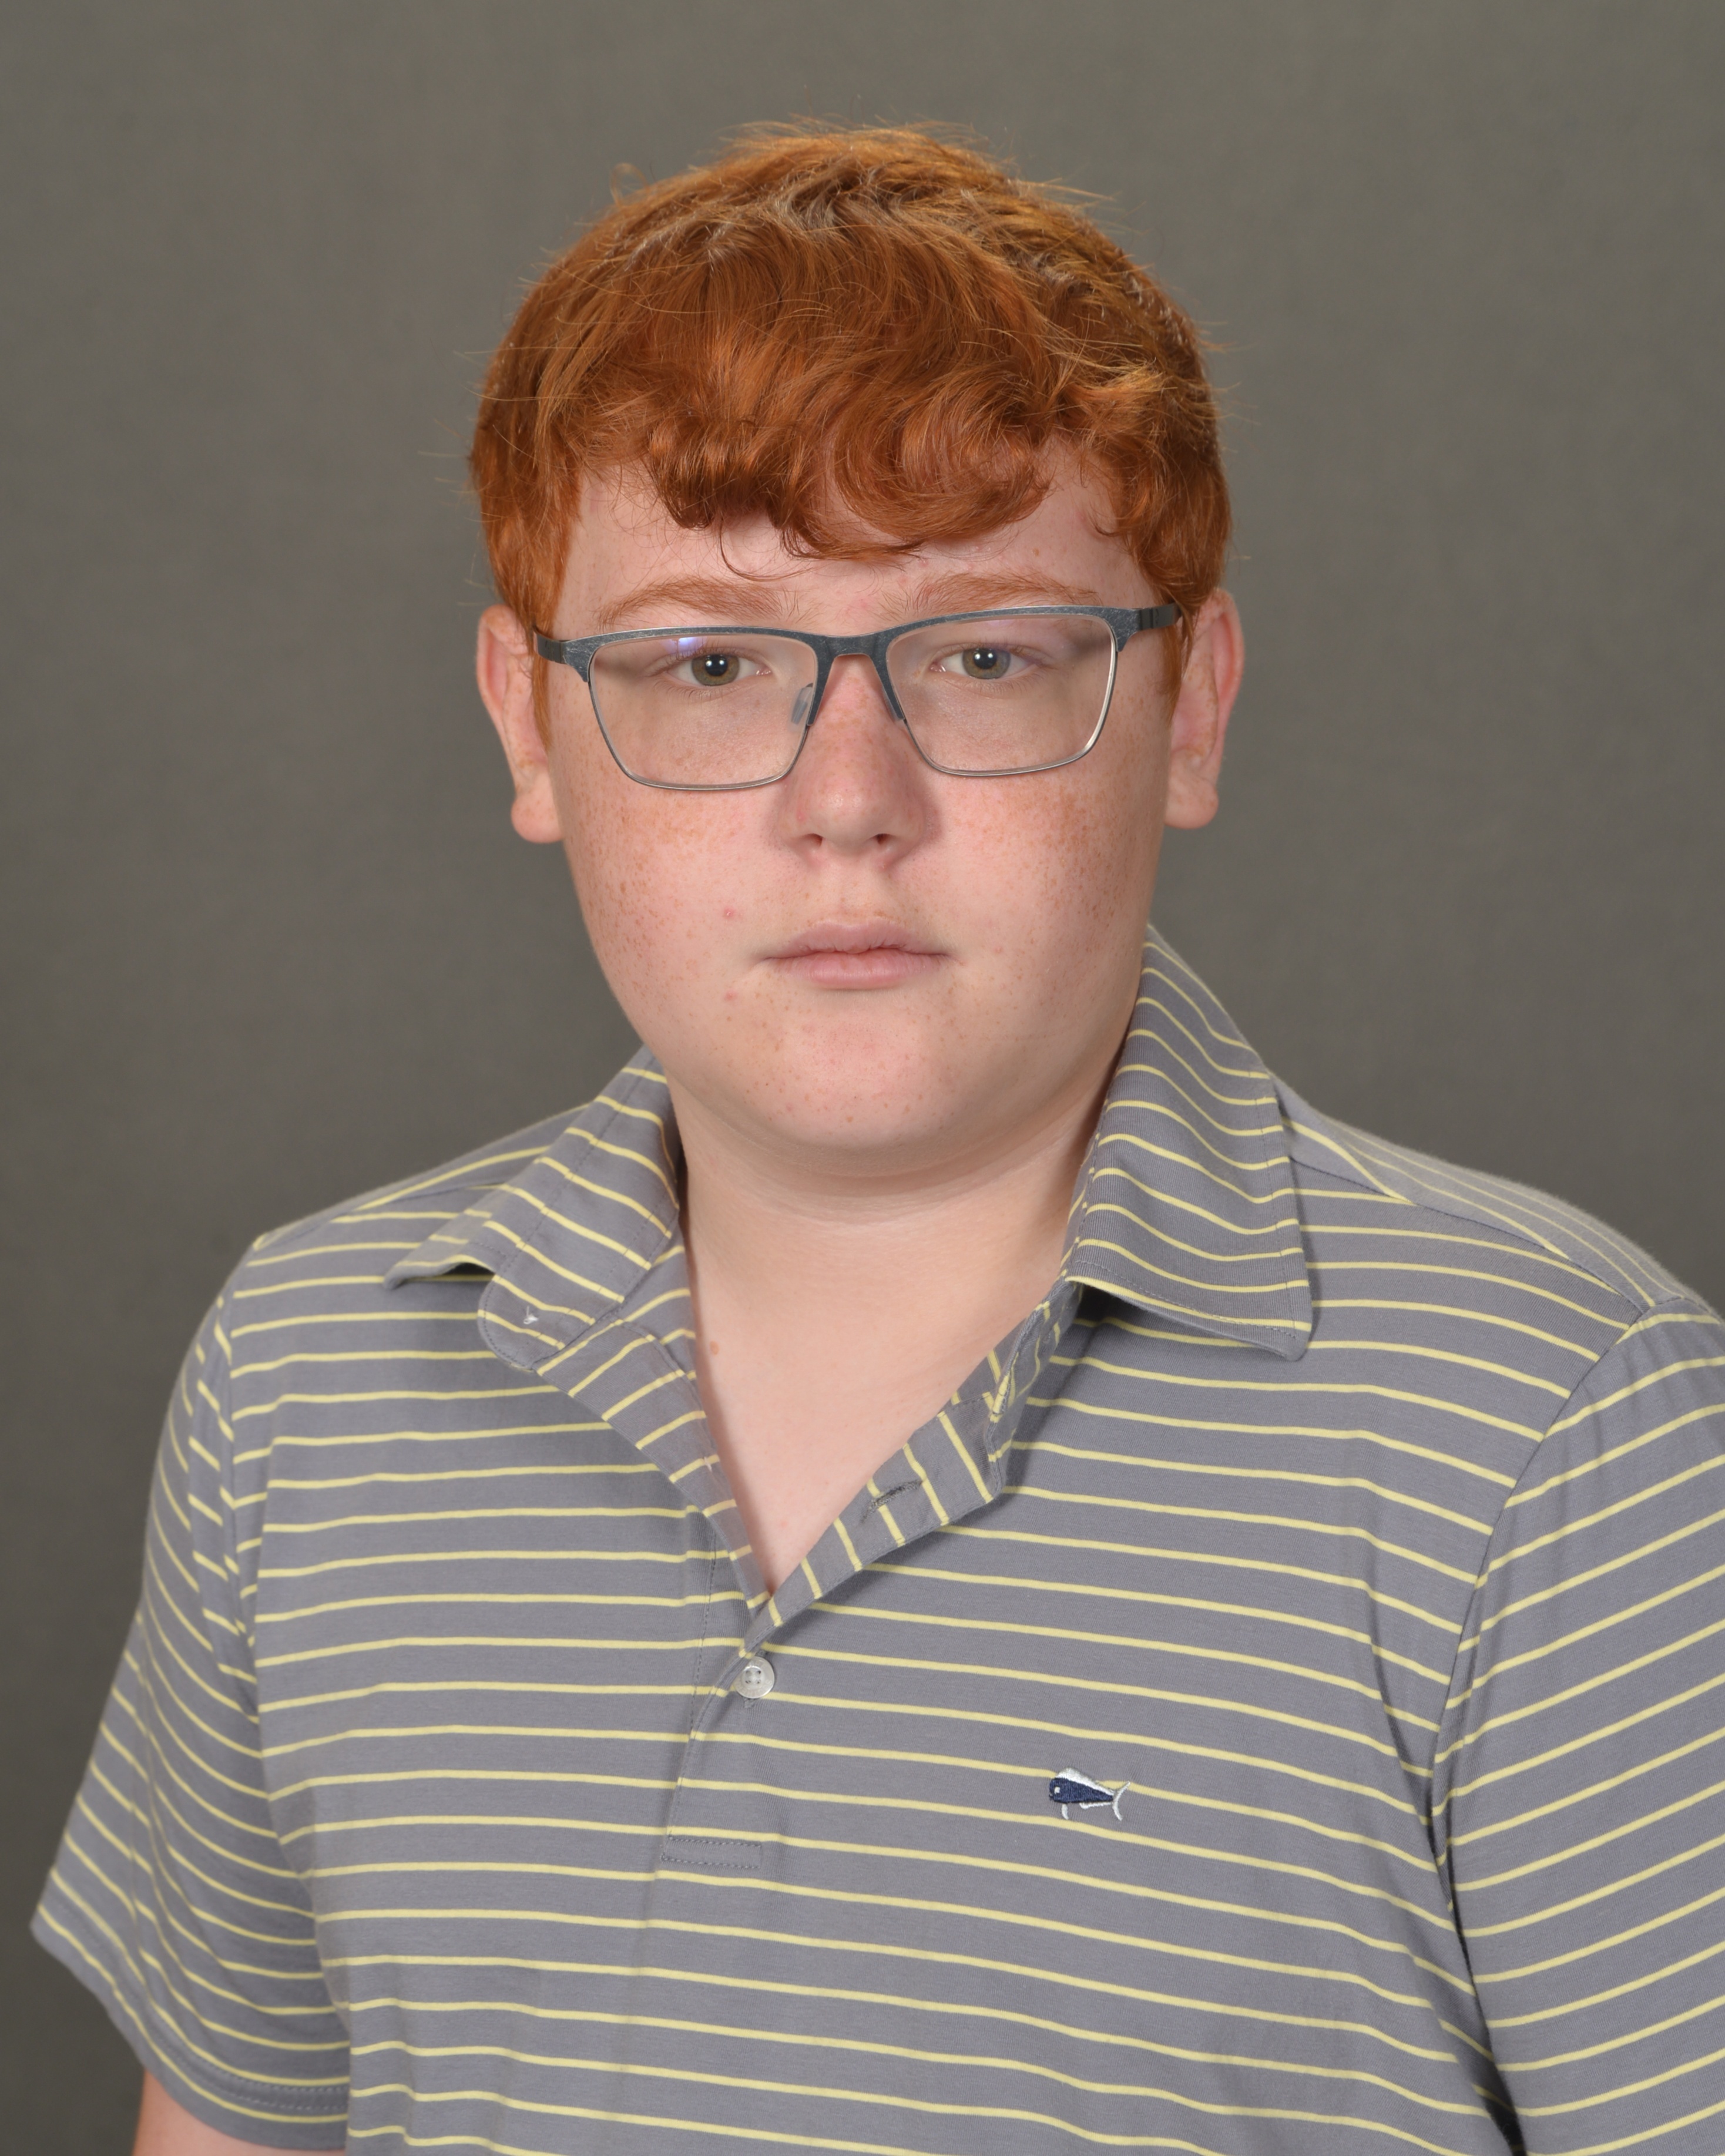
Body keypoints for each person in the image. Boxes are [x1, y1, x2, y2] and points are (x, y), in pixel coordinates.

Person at [35, 127, 1725, 2156]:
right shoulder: (312, 1383)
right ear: (525, 722)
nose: (848, 799)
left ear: (1189, 711)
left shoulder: (1558, 1445)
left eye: (986, 656)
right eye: (707, 663)